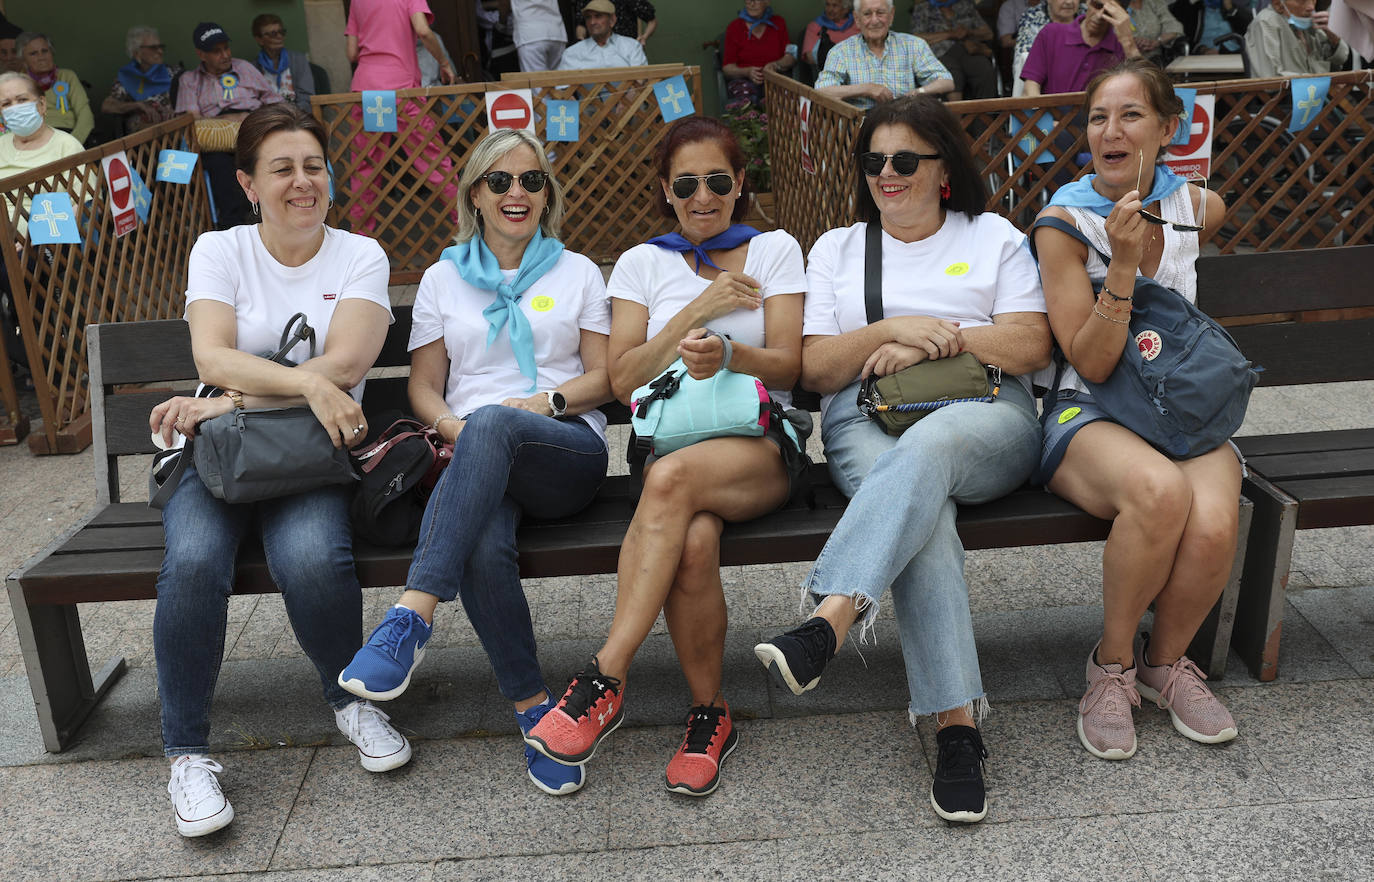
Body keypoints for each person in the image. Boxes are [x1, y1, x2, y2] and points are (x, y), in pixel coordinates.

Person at [754, 94, 1051, 823]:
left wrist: (938, 337)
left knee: (931, 447)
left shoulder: (994, 238)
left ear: (943, 168)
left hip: (986, 415)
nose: (888, 174)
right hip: (864, 417)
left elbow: (1030, 346)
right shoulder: (838, 249)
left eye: (906, 160)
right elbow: (818, 367)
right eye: (875, 161)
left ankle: (830, 615)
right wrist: (891, 327)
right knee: (929, 520)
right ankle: (957, 730)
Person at [524, 116, 809, 798]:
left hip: (758, 446)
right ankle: (711, 715)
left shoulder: (773, 251)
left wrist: (732, 353)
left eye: (717, 181)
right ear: (666, 189)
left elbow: (792, 364)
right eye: (686, 184)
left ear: (740, 184)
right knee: (691, 542)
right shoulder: (641, 263)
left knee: (674, 482)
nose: (702, 197)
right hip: (670, 448)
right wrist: (696, 312)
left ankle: (605, 676)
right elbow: (622, 380)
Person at [146, 103, 407, 838]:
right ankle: (188, 754)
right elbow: (210, 355)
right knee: (194, 562)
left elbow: (351, 360)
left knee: (313, 559)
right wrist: (305, 383)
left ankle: (351, 700)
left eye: (314, 166)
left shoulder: (360, 255)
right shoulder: (219, 249)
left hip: (308, 453)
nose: (303, 183)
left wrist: (230, 396)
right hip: (221, 451)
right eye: (283, 169)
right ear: (249, 183)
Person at [337, 128, 614, 798]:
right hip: (473, 455)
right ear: (475, 194)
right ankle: (533, 711)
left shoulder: (577, 271)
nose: (517, 192)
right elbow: (424, 386)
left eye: (531, 181)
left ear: (547, 194)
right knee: (483, 545)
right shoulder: (441, 277)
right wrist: (456, 426)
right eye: (501, 181)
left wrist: (540, 403)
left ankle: (412, 613)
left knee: (496, 422)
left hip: (564, 449)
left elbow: (605, 379)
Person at [1031, 58, 1239, 762]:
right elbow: (1087, 362)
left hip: (1176, 409)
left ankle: (1166, 663)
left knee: (1213, 522)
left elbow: (1212, 209)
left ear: (1167, 128)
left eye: (1129, 116)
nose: (1109, 132)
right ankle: (1112, 665)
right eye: (1097, 118)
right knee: (1160, 493)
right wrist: (1120, 265)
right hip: (1086, 411)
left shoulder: (1194, 206)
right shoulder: (1064, 223)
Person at [345, 0, 458, 234]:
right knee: (434, 162)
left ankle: (360, 236)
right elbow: (423, 30)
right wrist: (444, 62)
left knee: (365, 167)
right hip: (401, 87)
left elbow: (352, 52)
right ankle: (470, 227)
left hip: (367, 90)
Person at [0, 71, 83, 374]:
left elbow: (79, 203)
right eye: (6, 103)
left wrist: (32, 241)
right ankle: (22, 358)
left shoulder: (66, 145)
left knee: (22, 276)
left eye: (22, 99)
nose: (14, 107)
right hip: (6, 242)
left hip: (49, 242)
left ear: (42, 104)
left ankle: (46, 365)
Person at [176, 22, 284, 228]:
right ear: (201, 54)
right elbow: (191, 121)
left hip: (253, 127)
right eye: (216, 51)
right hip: (217, 137)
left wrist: (255, 118)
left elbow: (274, 100)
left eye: (226, 48)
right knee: (218, 163)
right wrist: (228, 122)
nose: (225, 54)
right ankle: (233, 224)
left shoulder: (244, 68)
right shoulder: (189, 80)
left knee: (268, 155)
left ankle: (271, 215)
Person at [815, 0, 955, 109]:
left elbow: (946, 81)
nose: (875, 20)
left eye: (880, 13)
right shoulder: (840, 52)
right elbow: (822, 92)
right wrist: (866, 88)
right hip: (860, 129)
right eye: (867, 14)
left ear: (891, 15)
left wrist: (917, 93)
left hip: (906, 124)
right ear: (857, 19)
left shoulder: (913, 45)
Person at [1021, 0, 1140, 96]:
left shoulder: (1121, 47)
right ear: (1088, 2)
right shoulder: (1051, 34)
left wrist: (1128, 41)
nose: (1099, 16)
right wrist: (1047, 123)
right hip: (1049, 122)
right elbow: (1030, 88)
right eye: (1097, 6)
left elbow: (1144, 90)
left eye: (1109, 12)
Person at [910, 0, 999, 100]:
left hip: (968, 50)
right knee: (952, 74)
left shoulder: (965, 5)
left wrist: (969, 32)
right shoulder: (923, 8)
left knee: (983, 68)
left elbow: (988, 34)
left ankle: (985, 113)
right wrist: (950, 34)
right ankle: (956, 115)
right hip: (940, 53)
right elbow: (916, 37)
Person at [101, 27, 182, 134]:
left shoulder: (173, 72)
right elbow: (106, 106)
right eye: (153, 48)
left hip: (175, 128)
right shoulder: (127, 77)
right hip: (144, 135)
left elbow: (192, 98)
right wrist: (137, 105)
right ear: (136, 53)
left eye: (161, 47)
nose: (160, 51)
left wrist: (178, 108)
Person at [16, 32, 91, 145]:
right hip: (34, 141)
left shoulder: (67, 76)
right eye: (33, 53)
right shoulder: (17, 83)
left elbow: (86, 116)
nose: (41, 57)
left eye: (45, 51)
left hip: (68, 135)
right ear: (23, 60)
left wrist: (73, 144)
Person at [723, 0, 797, 109]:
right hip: (744, 81)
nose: (752, 3)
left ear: (767, 2)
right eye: (748, 0)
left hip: (773, 78)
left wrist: (775, 65)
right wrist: (747, 72)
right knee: (745, 101)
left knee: (783, 100)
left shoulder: (778, 23)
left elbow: (790, 58)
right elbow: (727, 68)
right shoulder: (734, 27)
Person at [1246, 0, 1350, 76]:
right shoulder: (1266, 22)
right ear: (1278, 4)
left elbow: (1341, 60)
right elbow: (1269, 78)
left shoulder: (1310, 22)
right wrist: (1315, 80)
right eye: (1302, 1)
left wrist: (1334, 37)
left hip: (1317, 97)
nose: (1311, 7)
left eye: (1313, 0)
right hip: (1284, 101)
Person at [252, 13, 316, 110]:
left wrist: (291, 115)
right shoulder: (253, 68)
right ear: (260, 40)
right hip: (269, 118)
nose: (279, 36)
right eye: (273, 34)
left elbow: (307, 97)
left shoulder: (298, 60)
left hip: (298, 115)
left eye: (281, 32)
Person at [559, 0, 647, 69]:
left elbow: (641, 79)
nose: (592, 22)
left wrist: (632, 91)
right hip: (589, 93)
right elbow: (562, 89)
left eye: (598, 16)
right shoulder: (572, 53)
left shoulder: (632, 47)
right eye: (588, 17)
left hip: (628, 92)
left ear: (612, 20)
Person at [1170, 0, 1253, 54]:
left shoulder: (1234, 10)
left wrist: (1230, 9)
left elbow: (1249, 31)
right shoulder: (1194, 10)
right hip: (1203, 58)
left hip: (1233, 55)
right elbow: (1181, 35)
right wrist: (1201, 49)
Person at [801, 0, 861, 73]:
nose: (830, 9)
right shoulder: (815, 26)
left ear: (846, 9)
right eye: (827, 5)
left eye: (835, 6)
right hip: (828, 71)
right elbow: (809, 57)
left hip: (858, 70)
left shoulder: (858, 25)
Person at [511, 0, 567, 71]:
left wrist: (501, 23)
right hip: (556, 31)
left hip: (530, 34)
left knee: (535, 81)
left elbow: (503, 3)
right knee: (559, 79)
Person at [576, 0, 658, 45]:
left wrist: (644, 37)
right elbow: (581, 24)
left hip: (626, 47)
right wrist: (581, 40)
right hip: (596, 47)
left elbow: (652, 20)